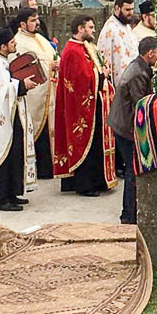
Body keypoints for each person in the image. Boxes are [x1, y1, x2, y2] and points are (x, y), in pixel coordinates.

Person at [53, 15, 115, 197]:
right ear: (80, 29)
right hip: (80, 107)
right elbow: (80, 80)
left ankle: (95, 181)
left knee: (95, 144)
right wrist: (101, 75)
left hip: (91, 104)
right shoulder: (73, 51)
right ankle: (85, 185)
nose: (93, 30)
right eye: (90, 27)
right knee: (85, 143)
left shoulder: (85, 47)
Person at [0, 27, 37, 212]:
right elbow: (0, 90)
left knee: (15, 153)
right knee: (5, 156)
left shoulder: (1, 60)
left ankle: (13, 193)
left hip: (10, 113)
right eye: (12, 43)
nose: (15, 44)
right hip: (1, 117)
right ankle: (3, 198)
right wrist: (22, 84)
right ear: (3, 46)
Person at [108, 36, 157, 225]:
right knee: (133, 170)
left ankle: (130, 212)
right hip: (125, 127)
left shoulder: (140, 66)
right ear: (150, 53)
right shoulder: (139, 73)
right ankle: (128, 215)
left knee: (133, 169)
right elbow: (141, 104)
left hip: (123, 124)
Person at [10, 6, 58, 179]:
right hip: (34, 94)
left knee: (49, 130)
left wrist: (56, 64)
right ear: (23, 23)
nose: (37, 23)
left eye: (37, 19)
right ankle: (39, 168)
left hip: (49, 92)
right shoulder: (17, 42)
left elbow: (52, 57)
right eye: (32, 20)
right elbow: (17, 67)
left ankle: (50, 166)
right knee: (36, 129)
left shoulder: (40, 38)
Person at [98, 0, 138, 86]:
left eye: (132, 9)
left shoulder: (127, 27)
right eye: (127, 10)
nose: (131, 13)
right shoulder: (110, 29)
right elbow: (105, 58)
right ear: (117, 8)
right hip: (119, 84)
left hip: (131, 81)